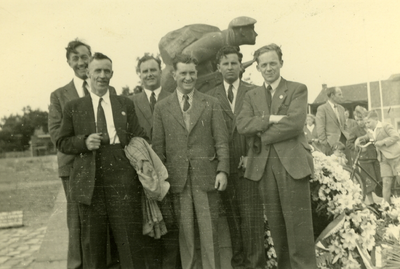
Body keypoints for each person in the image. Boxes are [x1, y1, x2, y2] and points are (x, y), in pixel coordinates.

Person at [56, 52, 148, 268]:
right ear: (88, 73)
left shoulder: (124, 103)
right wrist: (84, 142)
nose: (102, 75)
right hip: (90, 181)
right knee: (93, 246)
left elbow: (140, 136)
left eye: (107, 71)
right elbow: (61, 142)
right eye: (97, 70)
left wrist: (139, 158)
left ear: (112, 74)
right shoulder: (74, 107)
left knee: (129, 242)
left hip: (122, 177)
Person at [237, 44, 317, 268]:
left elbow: (294, 123)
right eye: (264, 65)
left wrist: (261, 135)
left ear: (281, 63)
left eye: (273, 63)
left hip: (292, 164)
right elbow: (242, 125)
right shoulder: (251, 95)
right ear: (258, 68)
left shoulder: (297, 89)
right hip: (264, 167)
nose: (269, 68)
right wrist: (271, 119)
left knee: (298, 229)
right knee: (278, 230)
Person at [152, 54, 229, 269]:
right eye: (183, 73)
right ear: (174, 74)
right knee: (186, 238)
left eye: (192, 73)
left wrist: (223, 170)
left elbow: (222, 141)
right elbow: (158, 149)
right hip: (178, 182)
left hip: (206, 179)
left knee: (209, 235)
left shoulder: (211, 103)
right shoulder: (162, 107)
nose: (188, 77)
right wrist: (162, 182)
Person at [48, 39, 117, 269]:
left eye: (84, 56)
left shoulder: (107, 89)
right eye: (75, 58)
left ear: (91, 59)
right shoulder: (59, 96)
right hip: (73, 167)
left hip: (104, 166)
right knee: (78, 223)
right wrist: (84, 141)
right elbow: (57, 135)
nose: (80, 61)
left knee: (103, 222)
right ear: (69, 62)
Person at [207, 46, 264, 269]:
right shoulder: (211, 96)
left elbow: (261, 129)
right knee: (233, 222)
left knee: (253, 222)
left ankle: (256, 265)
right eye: (225, 63)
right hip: (224, 169)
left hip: (249, 167)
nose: (230, 67)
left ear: (241, 65)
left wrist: (252, 157)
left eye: (234, 63)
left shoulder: (254, 92)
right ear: (218, 67)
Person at [129, 54, 180, 269]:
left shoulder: (174, 97)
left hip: (171, 176)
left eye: (153, 70)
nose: (149, 74)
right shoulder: (130, 102)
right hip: (144, 180)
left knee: (172, 230)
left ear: (161, 72)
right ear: (139, 74)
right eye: (145, 71)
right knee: (150, 232)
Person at [159, 16, 257, 93]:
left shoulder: (224, 43)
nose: (256, 34)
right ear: (242, 32)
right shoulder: (218, 39)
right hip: (171, 84)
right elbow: (187, 58)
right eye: (252, 29)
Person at [356, 110, 400, 204]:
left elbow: (396, 136)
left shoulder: (385, 126)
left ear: (376, 119)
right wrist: (359, 139)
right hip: (383, 159)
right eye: (365, 123)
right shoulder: (370, 131)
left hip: (396, 157)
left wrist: (383, 142)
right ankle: (387, 208)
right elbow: (367, 136)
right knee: (386, 183)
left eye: (368, 122)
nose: (367, 125)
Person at [346, 106, 381, 195]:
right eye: (357, 120)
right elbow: (349, 144)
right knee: (368, 182)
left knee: (379, 180)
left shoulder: (372, 127)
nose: (360, 122)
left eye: (361, 120)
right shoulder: (355, 130)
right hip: (364, 159)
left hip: (376, 157)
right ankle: (371, 202)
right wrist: (358, 148)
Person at [316, 87, 349, 156]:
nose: (342, 97)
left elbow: (345, 125)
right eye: (339, 94)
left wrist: (347, 136)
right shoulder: (322, 109)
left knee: (345, 165)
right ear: (332, 96)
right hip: (330, 145)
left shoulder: (341, 108)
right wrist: (325, 143)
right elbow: (320, 128)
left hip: (343, 143)